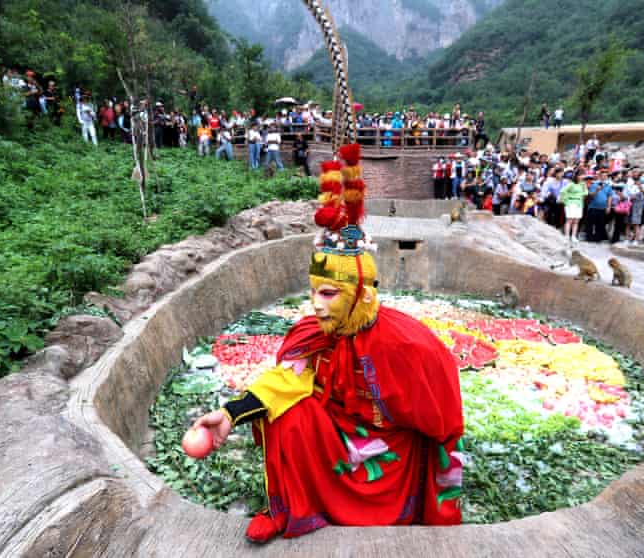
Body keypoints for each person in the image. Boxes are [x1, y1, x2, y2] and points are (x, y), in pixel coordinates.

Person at [190, 145, 465, 543]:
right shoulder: (314, 332)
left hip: (390, 448)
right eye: (315, 292)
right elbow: (288, 379)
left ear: (360, 294)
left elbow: (443, 418)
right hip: (336, 430)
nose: (315, 306)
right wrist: (231, 415)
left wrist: (438, 472)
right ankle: (289, 509)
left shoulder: (407, 344)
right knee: (283, 414)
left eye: (329, 294)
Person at [559, 171, 588, 244]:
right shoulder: (571, 184)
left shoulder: (582, 184)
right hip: (571, 203)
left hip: (579, 203)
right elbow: (562, 191)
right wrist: (565, 201)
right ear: (577, 176)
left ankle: (573, 236)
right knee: (569, 220)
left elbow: (586, 193)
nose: (582, 177)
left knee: (576, 221)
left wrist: (584, 186)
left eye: (582, 175)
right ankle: (567, 236)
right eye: (580, 175)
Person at [585, 173, 613, 242]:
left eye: (605, 176)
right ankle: (589, 238)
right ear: (600, 177)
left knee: (600, 224)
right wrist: (597, 190)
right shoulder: (594, 184)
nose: (604, 177)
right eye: (602, 176)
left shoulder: (608, 186)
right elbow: (590, 195)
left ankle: (598, 238)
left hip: (602, 208)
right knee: (590, 224)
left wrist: (608, 206)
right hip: (593, 207)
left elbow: (610, 196)